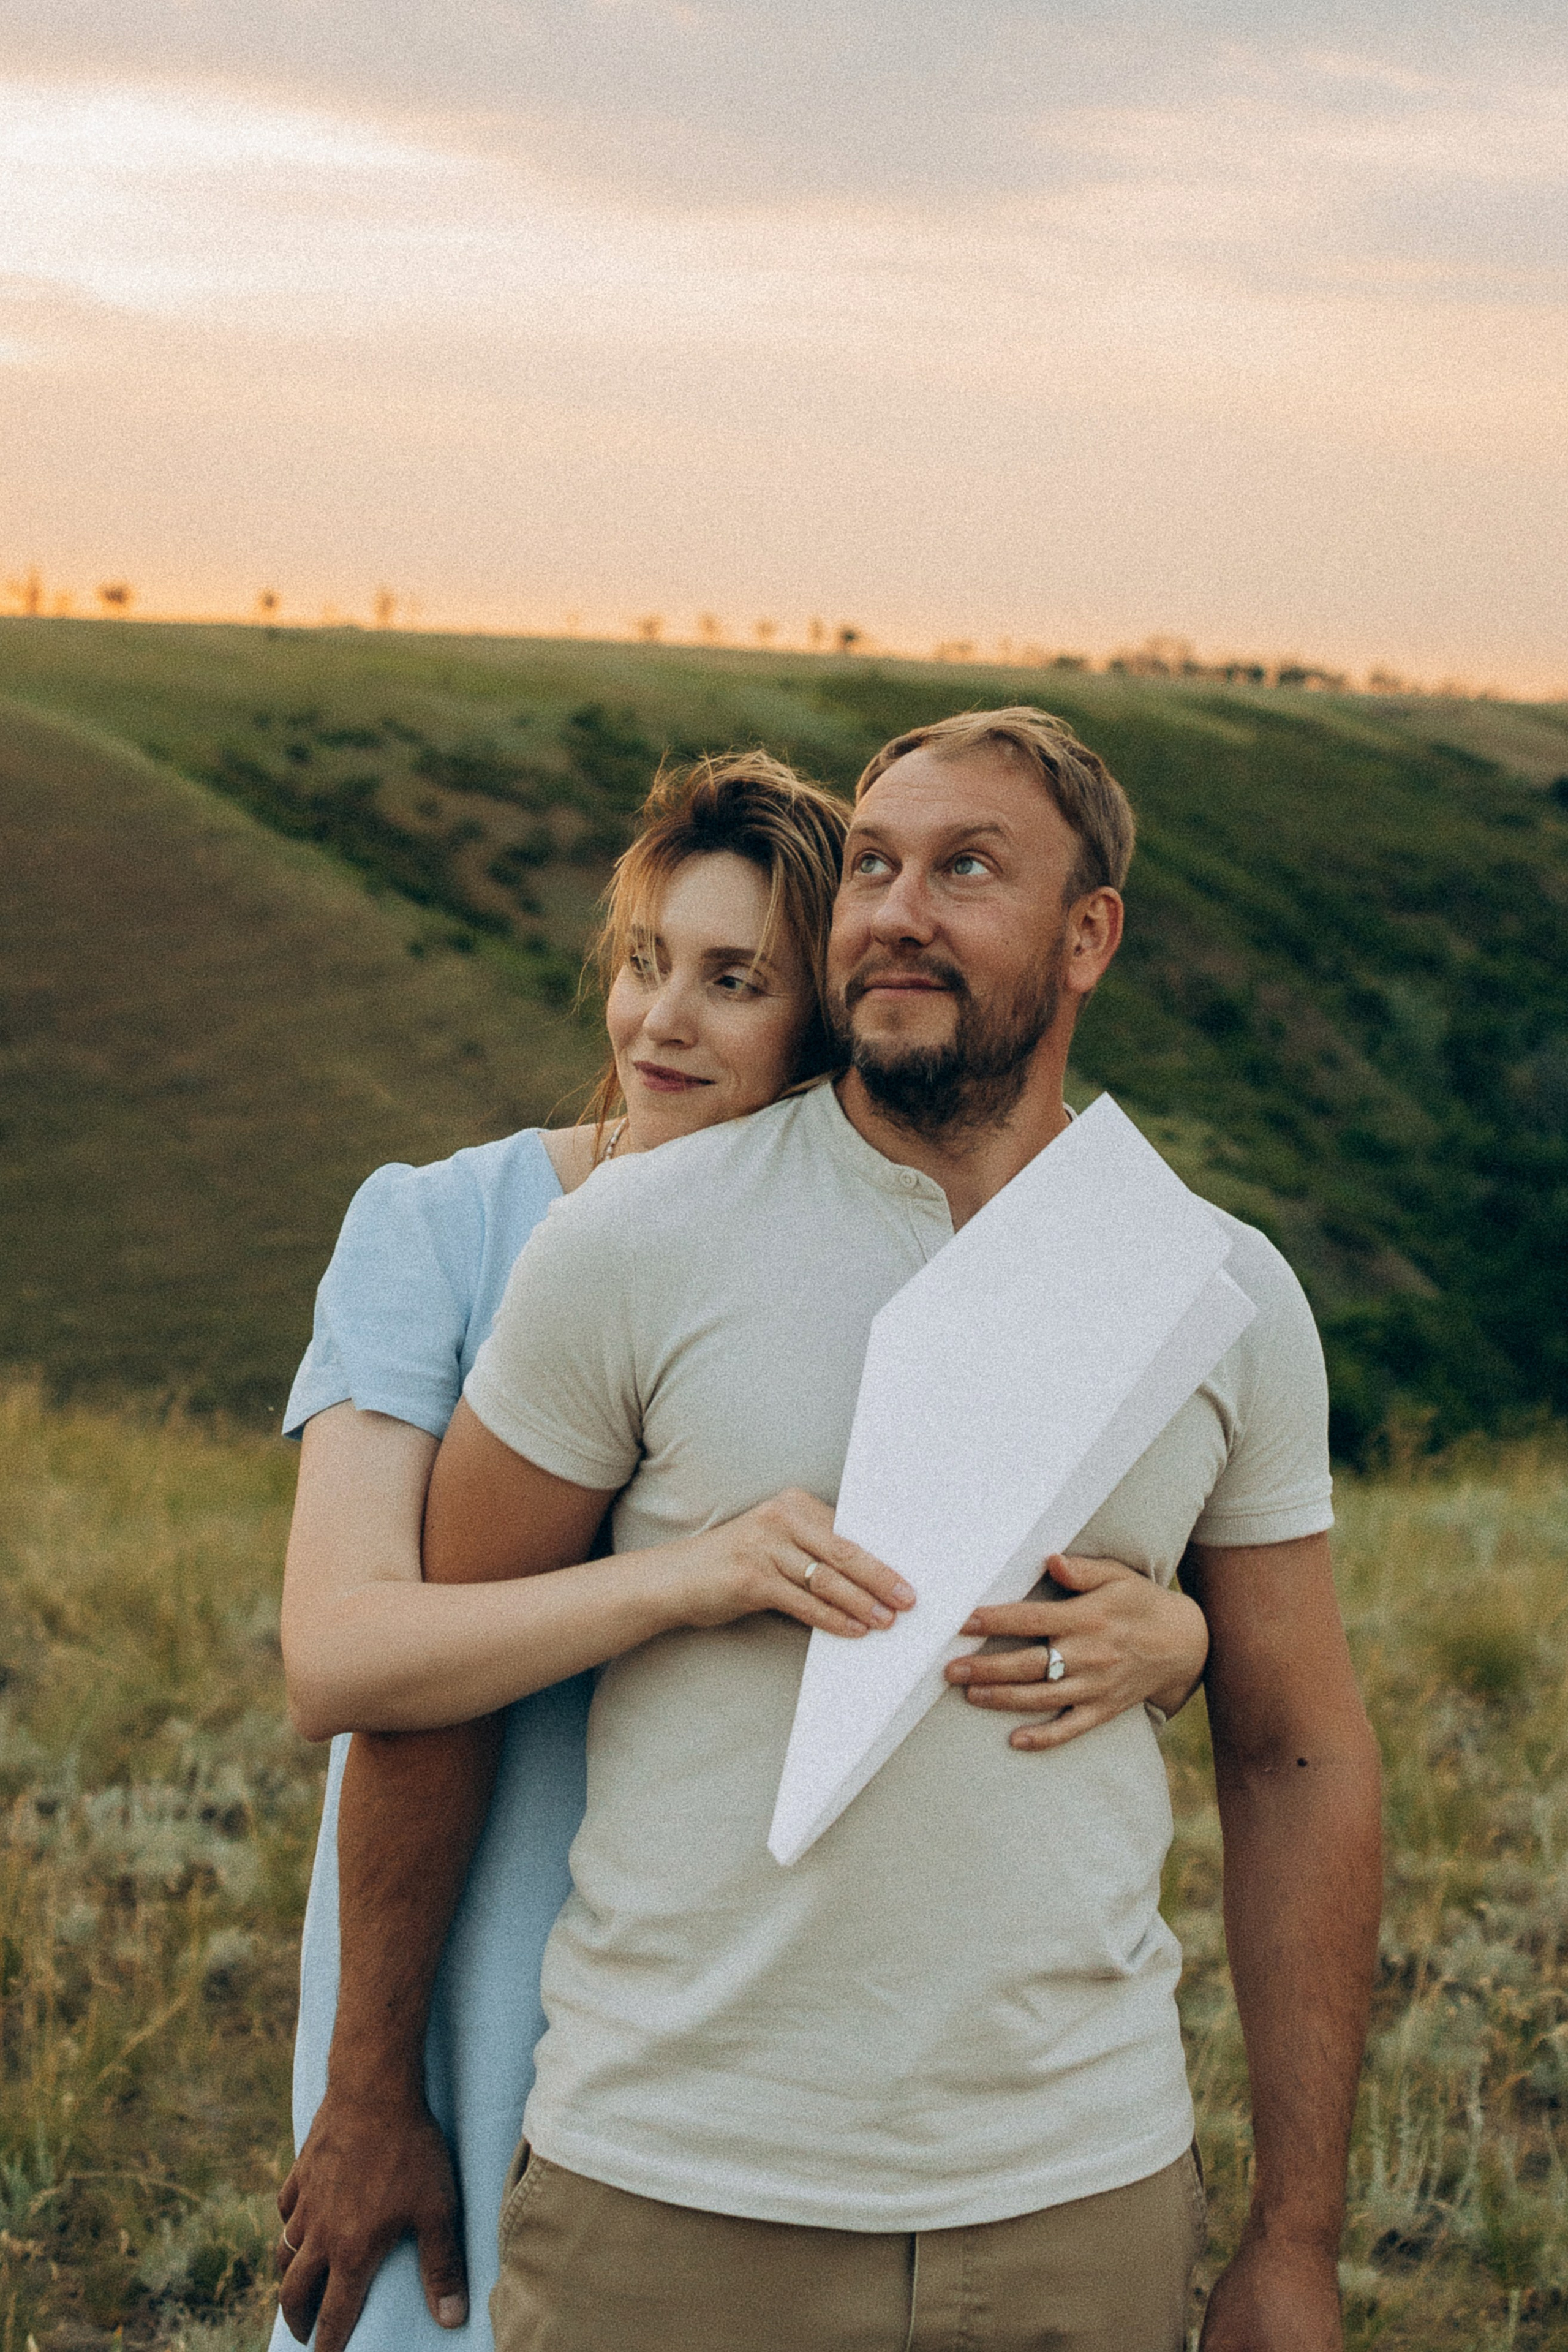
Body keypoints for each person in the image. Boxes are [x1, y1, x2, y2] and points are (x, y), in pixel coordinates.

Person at [286, 705, 1381, 2352]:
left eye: (965, 870)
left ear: (1090, 937)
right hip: (672, 2185)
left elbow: (1299, 1754)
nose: (899, 907)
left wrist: (1298, 2236)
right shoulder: (620, 1242)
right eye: (871, 863)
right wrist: (371, 2084)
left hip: (1078, 2192)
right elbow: (422, 1693)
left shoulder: (1219, 1291)